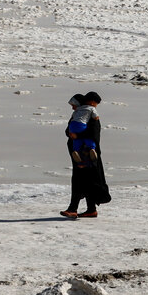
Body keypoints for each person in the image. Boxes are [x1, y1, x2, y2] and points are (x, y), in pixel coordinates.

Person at [61, 91, 111, 219]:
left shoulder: (91, 115)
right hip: (78, 154)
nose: (72, 107)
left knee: (81, 180)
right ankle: (91, 209)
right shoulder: (76, 115)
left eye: (74, 105)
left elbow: (94, 133)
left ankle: (73, 209)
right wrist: (71, 134)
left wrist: (78, 136)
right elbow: (68, 130)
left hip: (87, 155)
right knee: (87, 181)